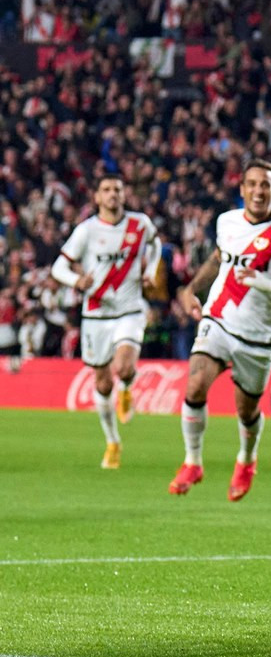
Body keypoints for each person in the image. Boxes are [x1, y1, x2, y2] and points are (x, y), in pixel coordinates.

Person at [168, 159, 271, 501]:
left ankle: (246, 460)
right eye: (251, 184)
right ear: (242, 189)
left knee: (246, 410)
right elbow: (217, 260)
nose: (258, 191)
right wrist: (192, 289)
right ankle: (193, 461)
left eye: (265, 185)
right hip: (218, 320)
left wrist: (266, 283)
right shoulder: (227, 222)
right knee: (194, 384)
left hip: (257, 335)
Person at [50, 174, 161, 468]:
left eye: (118, 190)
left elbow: (156, 243)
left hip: (130, 310)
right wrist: (77, 280)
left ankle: (126, 387)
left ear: (124, 195)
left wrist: (151, 271)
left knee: (124, 366)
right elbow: (58, 267)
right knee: (101, 382)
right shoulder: (86, 231)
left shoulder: (140, 224)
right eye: (107, 190)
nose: (113, 194)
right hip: (96, 314)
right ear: (97, 197)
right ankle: (113, 442)